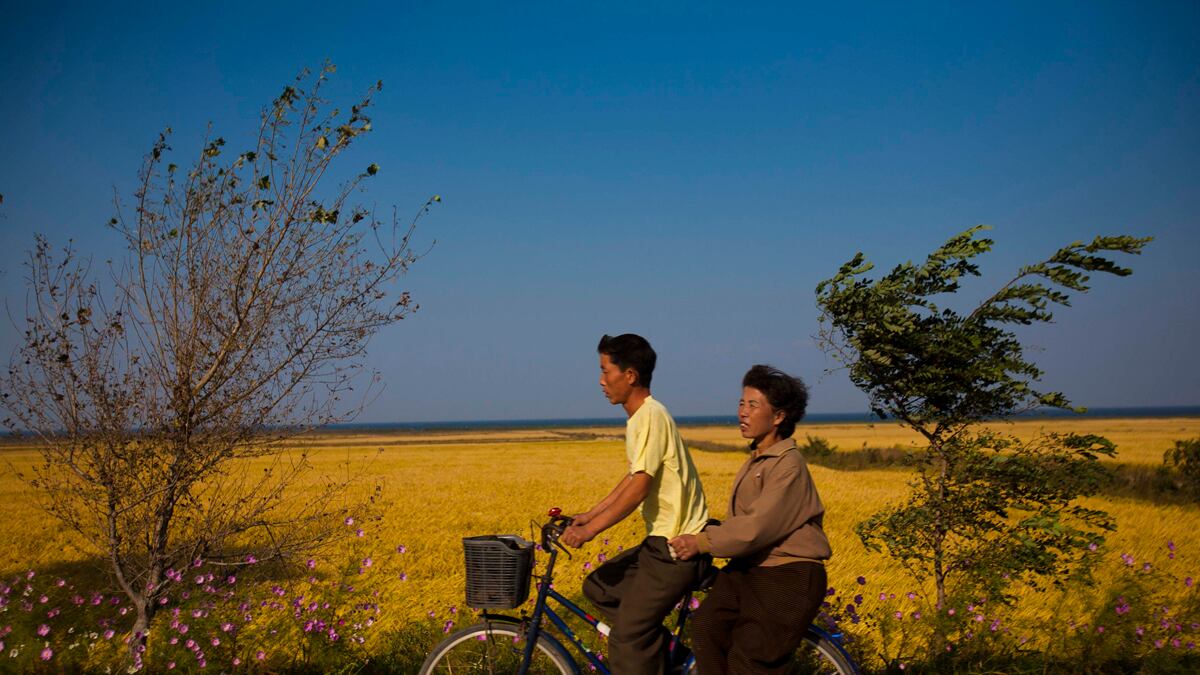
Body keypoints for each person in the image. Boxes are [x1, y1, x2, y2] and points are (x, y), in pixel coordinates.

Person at [559, 333, 710, 675]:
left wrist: (591, 532)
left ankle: (647, 650)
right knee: (598, 587)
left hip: (675, 547)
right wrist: (588, 515)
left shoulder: (650, 416)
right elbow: (632, 478)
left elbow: (639, 488)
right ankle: (671, 656)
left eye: (605, 370)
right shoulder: (641, 418)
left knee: (627, 637)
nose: (601, 380)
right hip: (660, 544)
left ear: (630, 375)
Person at [668, 364, 831, 675]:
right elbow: (743, 524)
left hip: (788, 574)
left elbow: (757, 526)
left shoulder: (788, 466)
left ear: (779, 417)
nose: (742, 411)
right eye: (742, 403)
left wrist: (702, 542)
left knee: (750, 659)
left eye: (753, 405)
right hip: (751, 569)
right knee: (706, 628)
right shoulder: (758, 460)